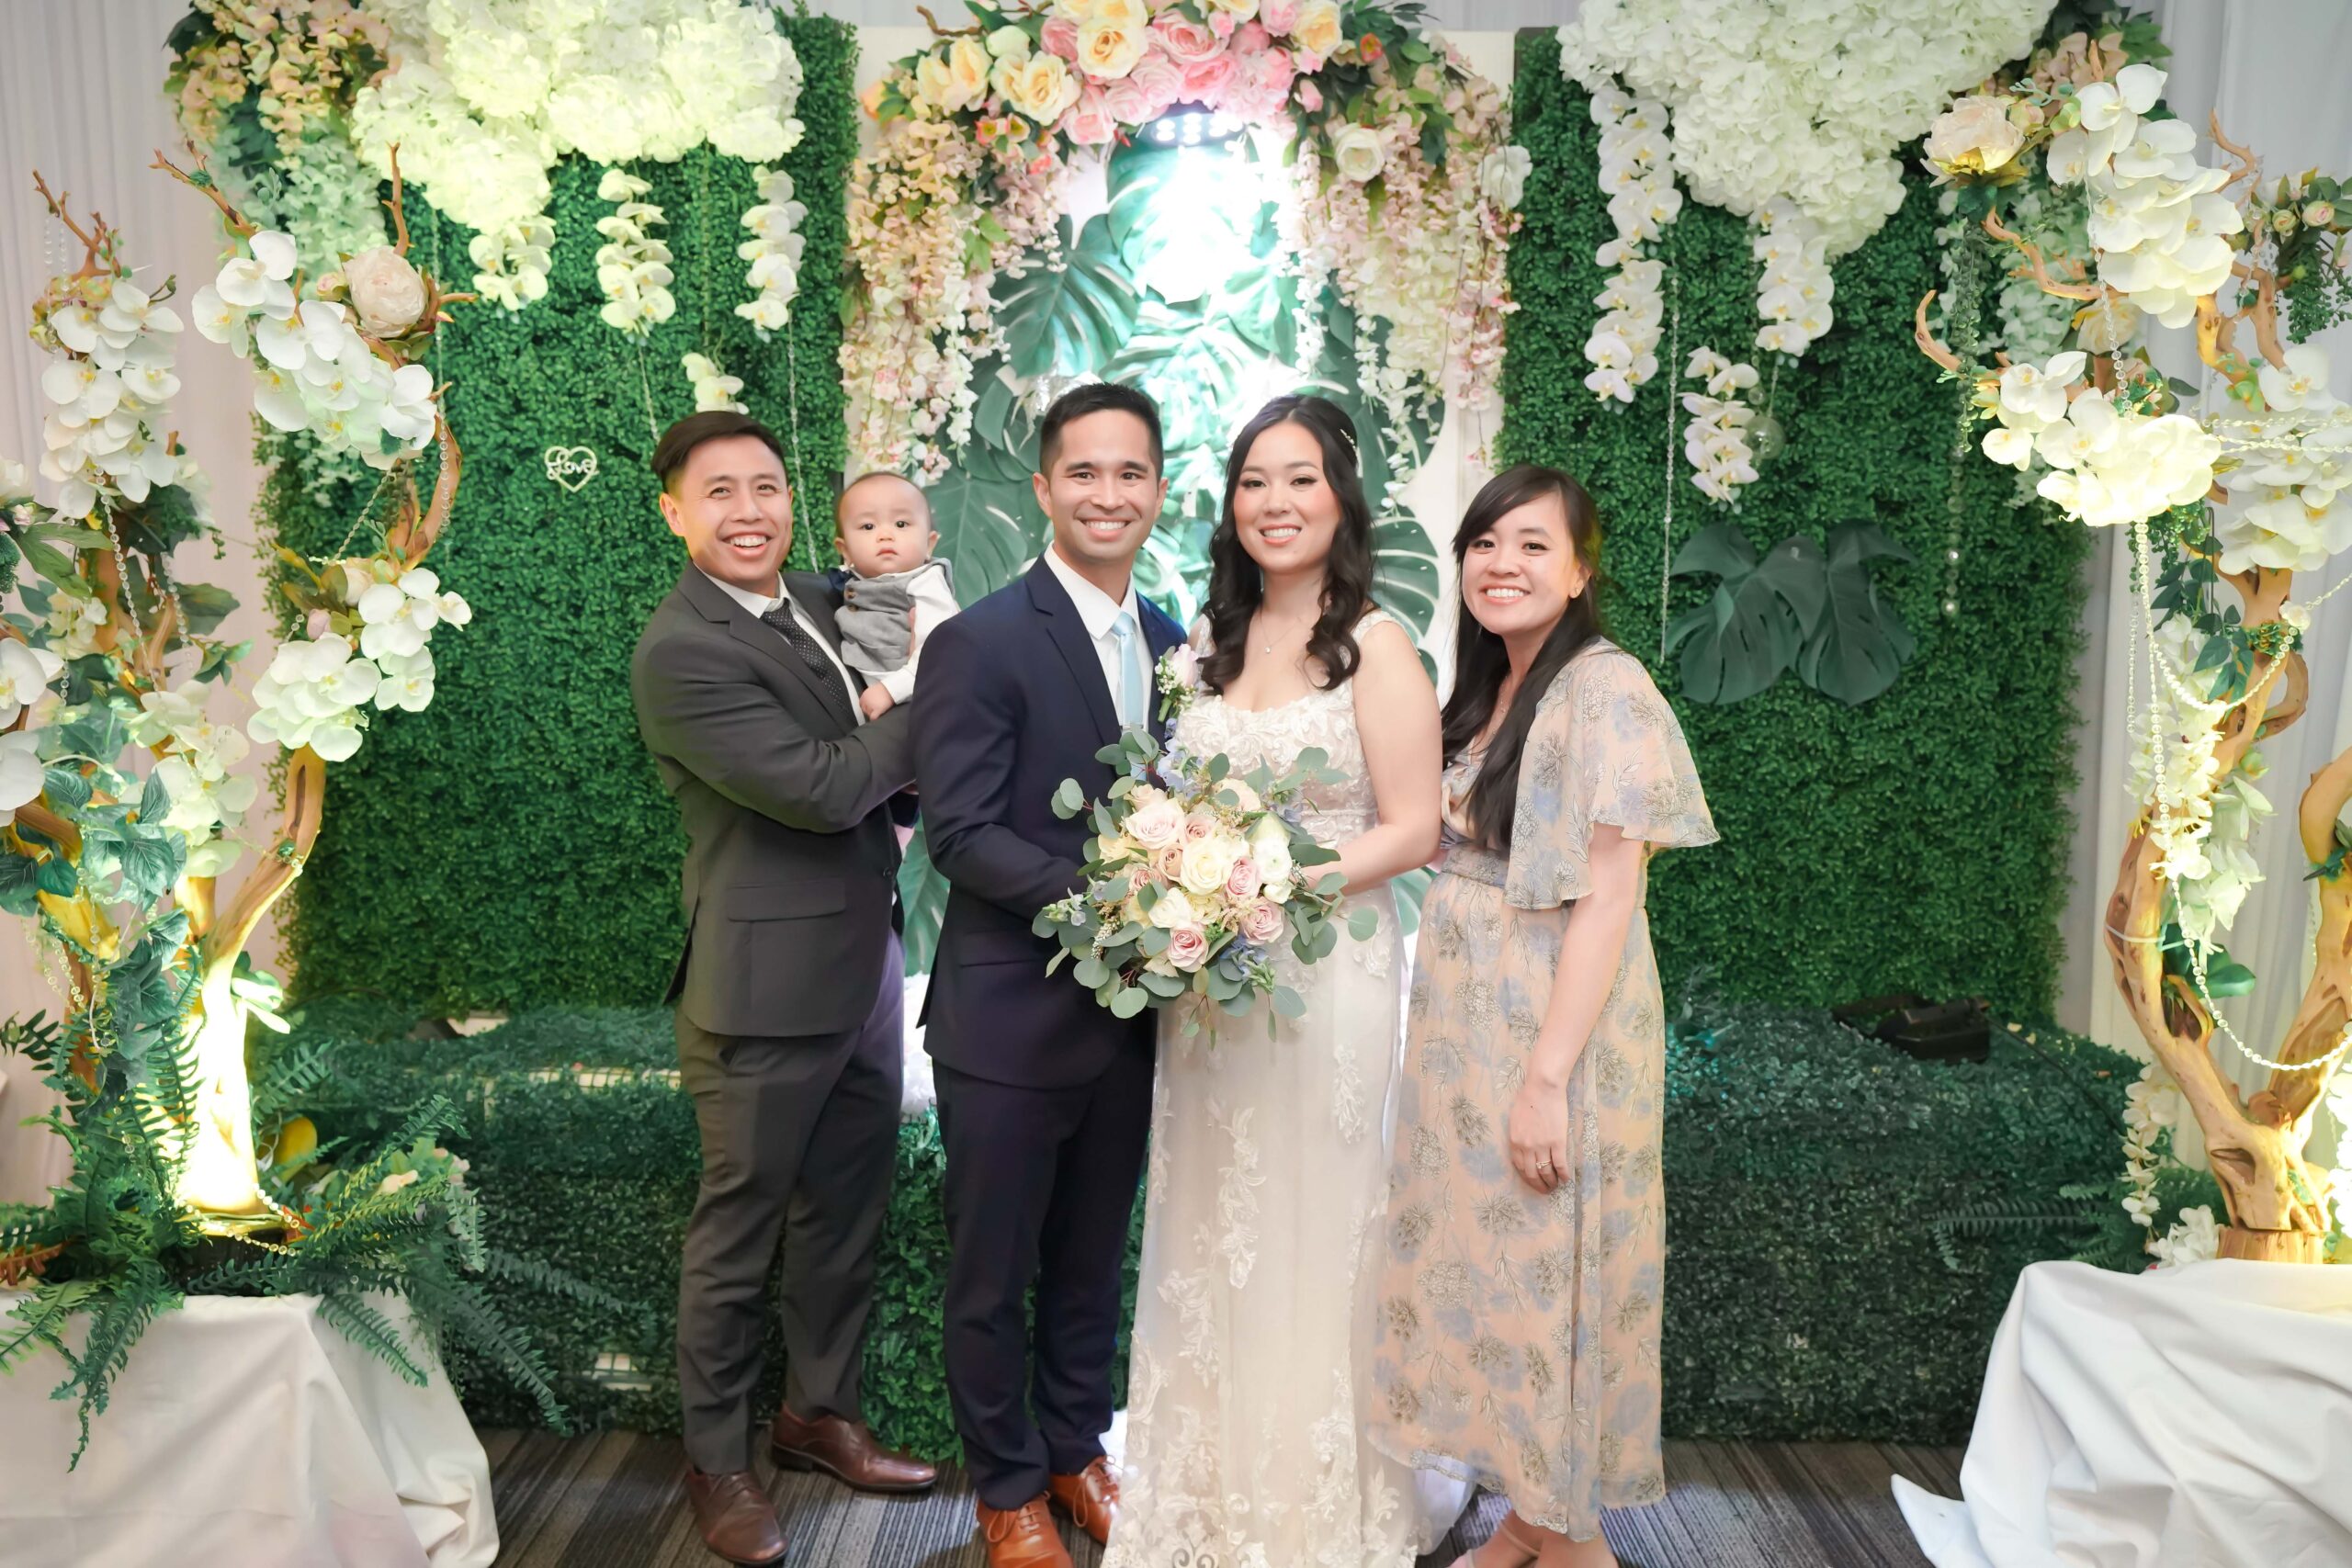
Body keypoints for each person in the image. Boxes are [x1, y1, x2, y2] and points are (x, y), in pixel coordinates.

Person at [1104, 394, 1461, 1568]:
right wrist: (1172, 881)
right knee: (1213, 1223)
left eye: (1300, 479)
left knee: (1317, 1223)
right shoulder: (1201, 647)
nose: (1275, 502)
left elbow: (1412, 829)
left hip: (1328, 973)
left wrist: (1271, 881)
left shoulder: (1377, 646)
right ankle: (1203, 1491)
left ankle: (1316, 1506)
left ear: (1341, 501)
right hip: (1213, 987)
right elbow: (1164, 802)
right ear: (1231, 504)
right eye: (1254, 480)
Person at [1365, 465, 1716, 1568]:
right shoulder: (1487, 689)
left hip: (1551, 1025)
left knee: (1551, 1268)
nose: (1500, 564)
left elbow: (1609, 898)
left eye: (1530, 545)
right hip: (1467, 1028)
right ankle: (1532, 1516)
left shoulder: (1607, 689)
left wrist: (1547, 1081)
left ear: (1577, 572)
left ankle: (1569, 1542)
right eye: (1483, 544)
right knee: (1497, 1275)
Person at [629, 411, 939, 1568]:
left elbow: (912, 607)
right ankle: (717, 1464)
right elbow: (820, 788)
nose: (748, 510)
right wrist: (933, 697)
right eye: (719, 492)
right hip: (759, 992)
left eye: (765, 486)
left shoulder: (821, 596)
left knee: (842, 1214)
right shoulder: (680, 652)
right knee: (739, 1232)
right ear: (675, 513)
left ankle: (818, 1417)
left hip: (866, 968)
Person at [913, 382, 1188, 1568]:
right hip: (1007, 1020)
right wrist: (1110, 906)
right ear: (1043, 487)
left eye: (1130, 473)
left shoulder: (1176, 645)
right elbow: (961, 832)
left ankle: (1076, 1450)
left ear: (1159, 489)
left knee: (1089, 1260)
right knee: (992, 1273)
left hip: (1129, 1023)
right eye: (1083, 472)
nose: (1107, 494)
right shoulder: (979, 640)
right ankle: (1007, 1487)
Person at [831, 471, 961, 718]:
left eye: (901, 524)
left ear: (929, 544)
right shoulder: (851, 586)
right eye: (868, 526)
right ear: (845, 550)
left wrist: (891, 690)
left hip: (933, 702)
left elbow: (942, 650)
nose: (885, 535)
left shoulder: (925, 583)